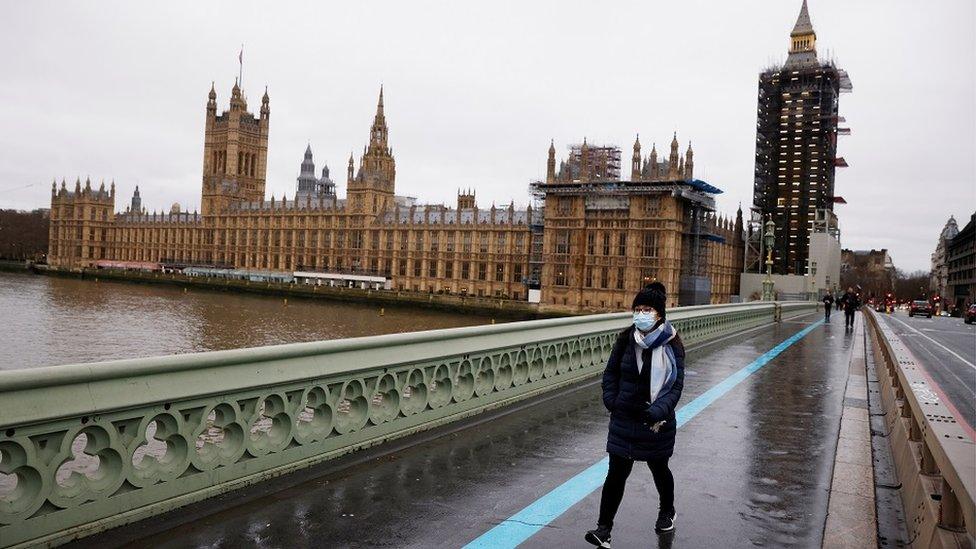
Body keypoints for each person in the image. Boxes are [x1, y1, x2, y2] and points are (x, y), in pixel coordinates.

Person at [585, 282, 685, 548]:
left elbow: (676, 384)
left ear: (659, 314)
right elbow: (611, 374)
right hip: (624, 417)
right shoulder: (625, 338)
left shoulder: (672, 342)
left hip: (656, 421)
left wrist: (658, 411)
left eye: (647, 309)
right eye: (638, 309)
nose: (641, 313)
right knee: (616, 473)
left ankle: (667, 511)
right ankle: (603, 530)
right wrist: (612, 402)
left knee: (659, 468)